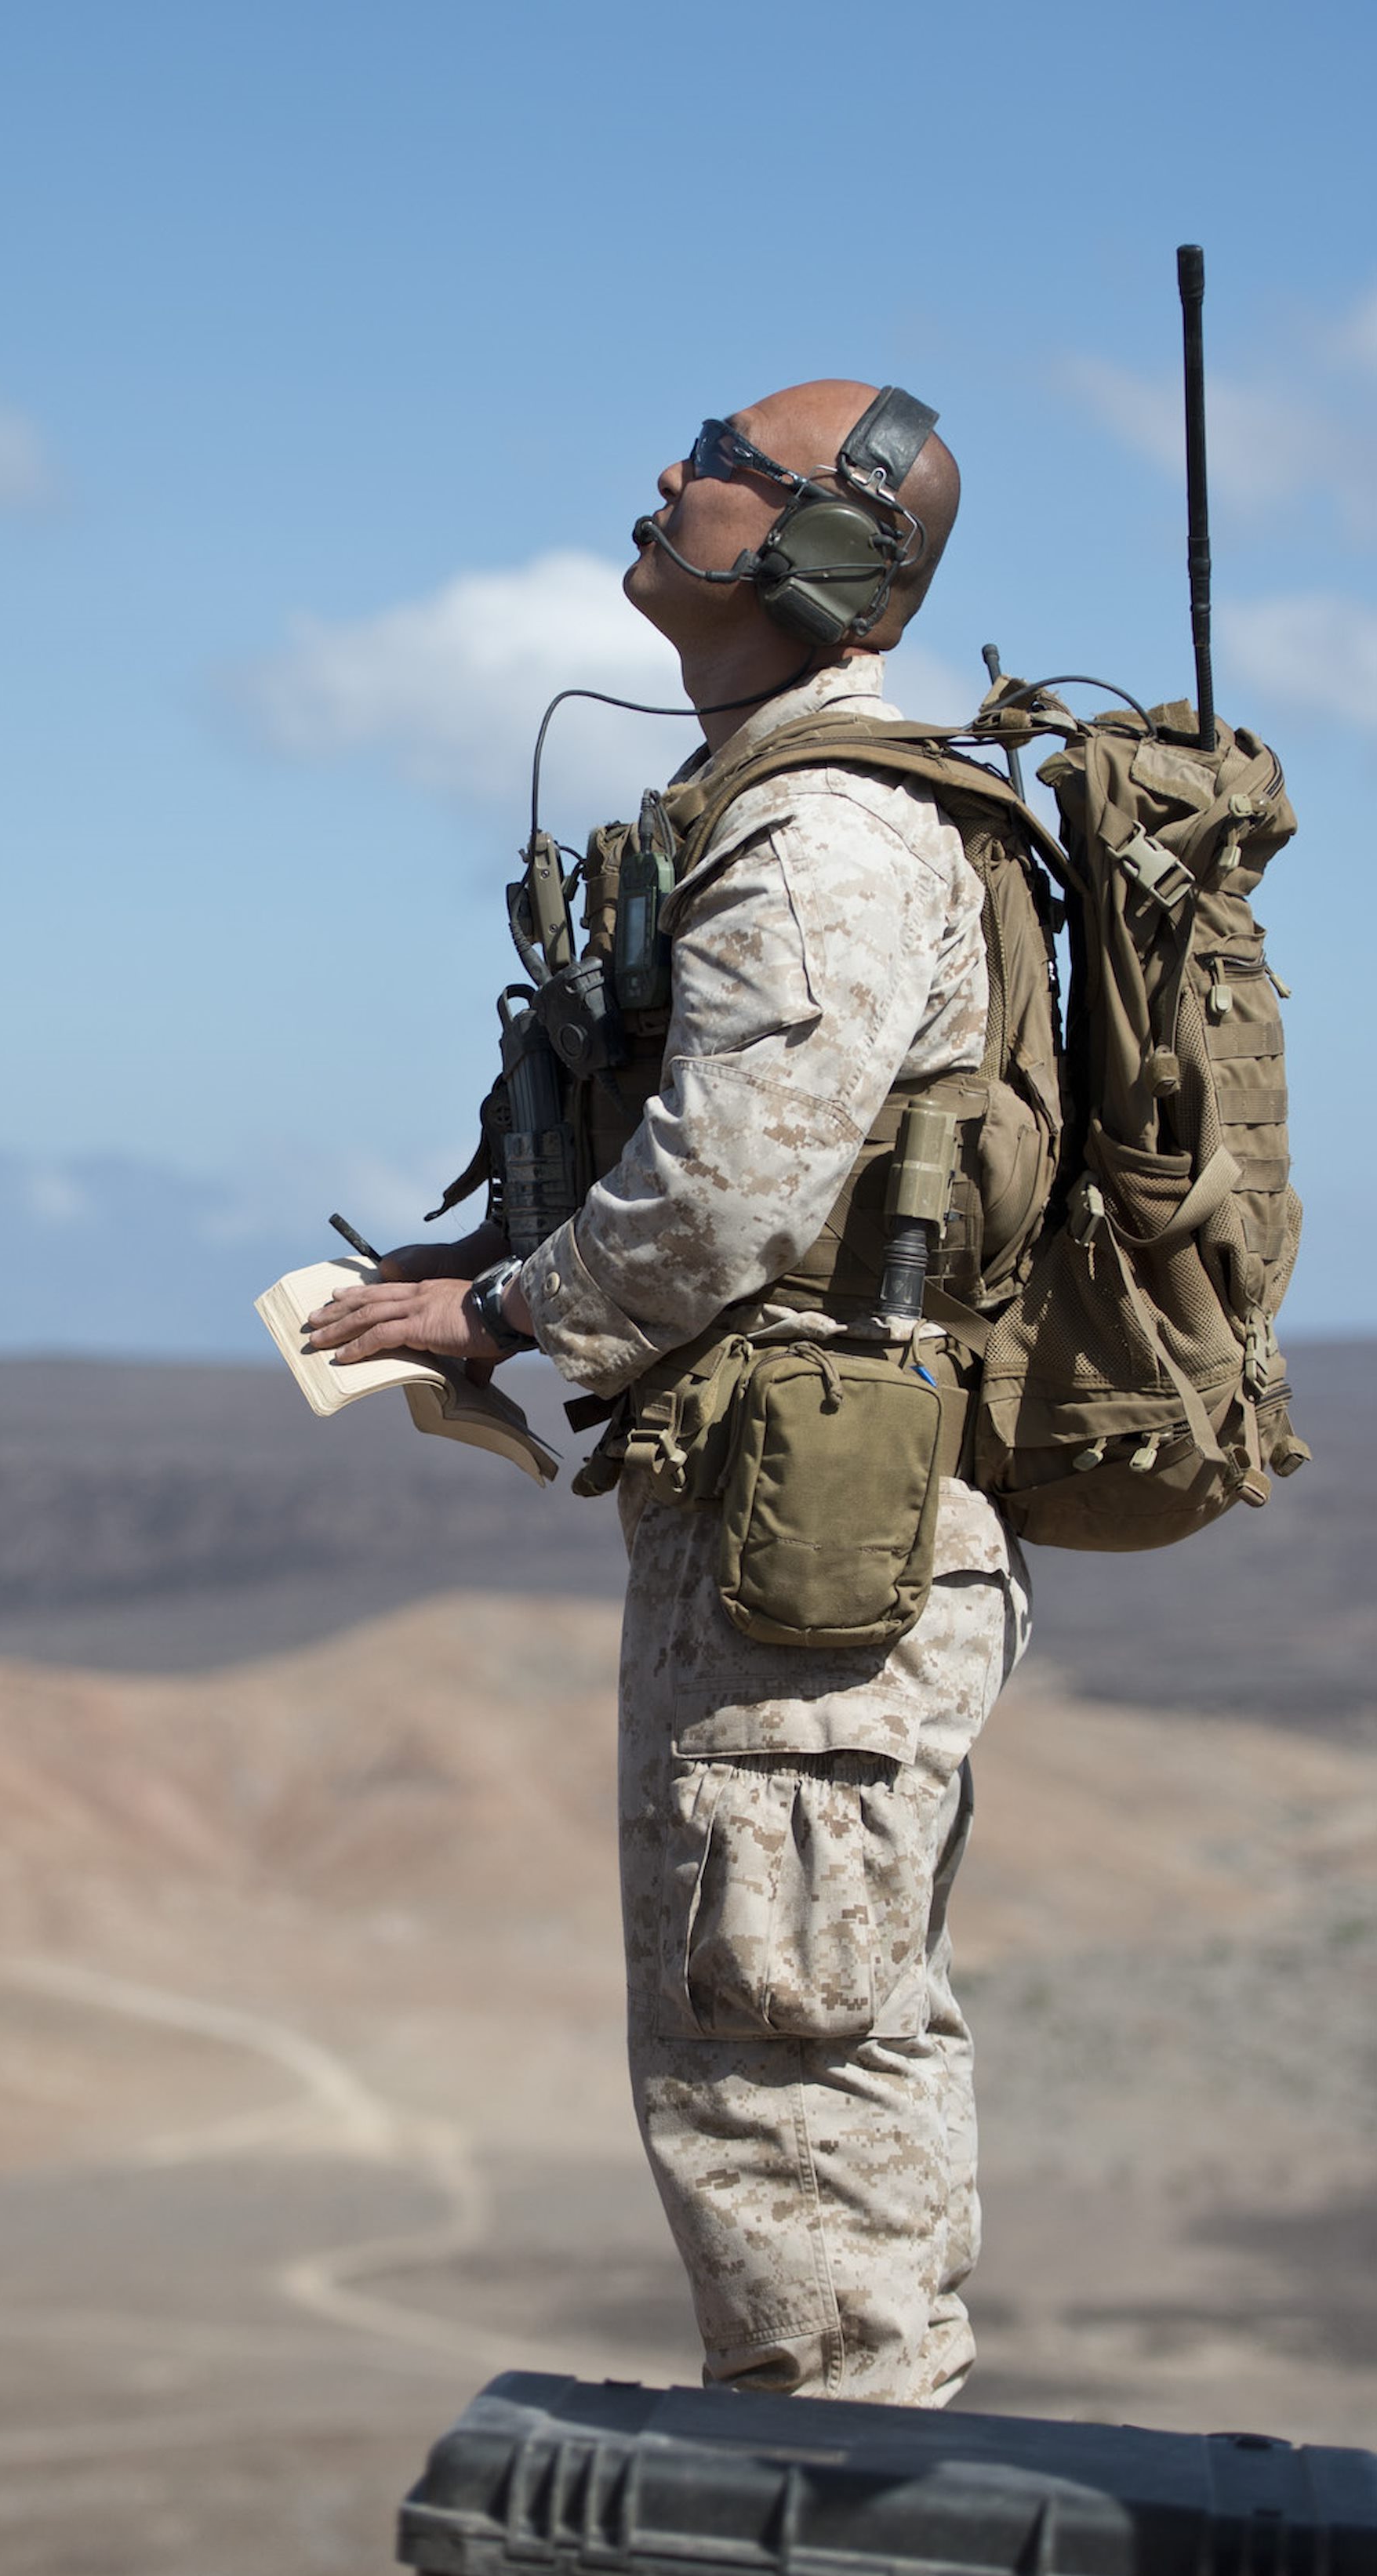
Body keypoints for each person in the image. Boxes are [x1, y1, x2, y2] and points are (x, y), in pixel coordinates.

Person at [307, 379, 1031, 2407]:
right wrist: (485, 1267)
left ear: (820, 556)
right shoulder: (777, 805)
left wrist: (506, 1317)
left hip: (825, 1554)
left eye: (722, 450)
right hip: (792, 1525)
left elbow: (731, 1185)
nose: (667, 471)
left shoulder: (824, 833)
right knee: (783, 2049)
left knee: (788, 2081)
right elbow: (738, 1171)